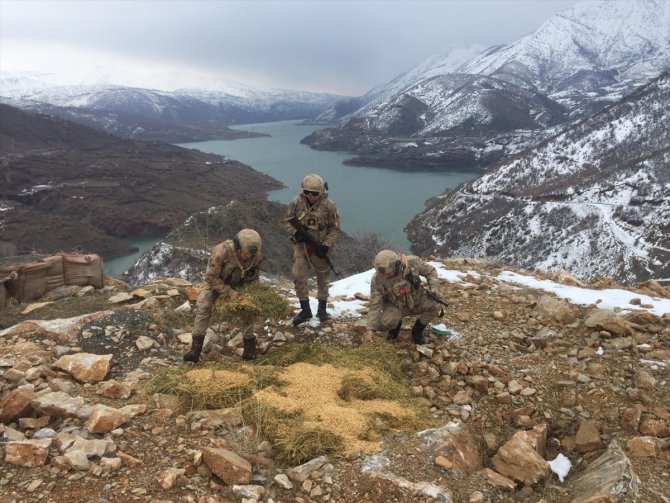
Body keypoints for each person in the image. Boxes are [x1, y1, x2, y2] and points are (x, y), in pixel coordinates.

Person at [183, 228, 264, 363]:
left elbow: (254, 276)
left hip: (239, 283)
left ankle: (249, 348)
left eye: (251, 255)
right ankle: (195, 350)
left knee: (249, 310)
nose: (248, 257)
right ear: (238, 246)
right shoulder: (221, 251)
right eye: (245, 254)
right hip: (217, 282)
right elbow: (211, 277)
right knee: (204, 306)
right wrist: (228, 292)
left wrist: (252, 294)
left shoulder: (254, 255)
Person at [283, 173, 340, 325]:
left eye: (315, 193)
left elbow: (334, 228)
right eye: (307, 192)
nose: (311, 196)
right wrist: (295, 234)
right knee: (298, 275)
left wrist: (326, 245)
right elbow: (287, 221)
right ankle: (305, 310)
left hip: (320, 247)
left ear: (321, 192)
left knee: (323, 278)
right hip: (301, 247)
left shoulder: (329, 206)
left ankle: (322, 309)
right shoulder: (296, 203)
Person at [366, 250, 441, 344]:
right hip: (396, 307)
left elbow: (430, 271)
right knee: (385, 323)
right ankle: (395, 327)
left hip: (417, 301)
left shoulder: (412, 263)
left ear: (397, 265)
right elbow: (375, 304)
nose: (384, 277)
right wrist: (370, 329)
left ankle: (417, 331)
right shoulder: (377, 279)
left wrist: (434, 287)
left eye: (388, 274)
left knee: (435, 304)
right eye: (382, 274)